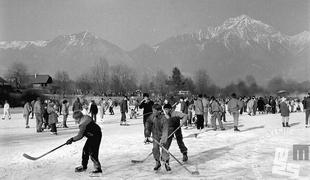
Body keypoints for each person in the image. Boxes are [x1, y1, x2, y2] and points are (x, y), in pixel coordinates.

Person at [145, 104, 169, 171]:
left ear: (159, 111)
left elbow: (165, 131)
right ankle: (157, 162)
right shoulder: (152, 117)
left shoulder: (164, 119)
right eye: (152, 110)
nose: (153, 112)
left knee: (165, 150)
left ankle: (166, 163)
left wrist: (163, 140)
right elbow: (147, 123)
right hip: (155, 135)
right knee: (155, 149)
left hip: (163, 136)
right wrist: (147, 133)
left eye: (154, 111)